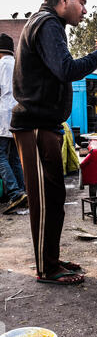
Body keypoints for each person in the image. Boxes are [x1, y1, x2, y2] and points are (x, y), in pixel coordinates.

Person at [11, 0, 97, 285]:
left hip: (45, 125)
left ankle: (51, 259)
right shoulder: (48, 24)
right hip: (35, 127)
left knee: (54, 198)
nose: (85, 9)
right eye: (82, 2)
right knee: (44, 201)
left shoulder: (47, 24)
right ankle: (46, 268)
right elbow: (66, 69)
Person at [0, 33, 27, 214]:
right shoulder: (20, 65)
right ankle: (24, 191)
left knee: (0, 155)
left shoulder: (0, 65)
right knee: (14, 157)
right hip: (18, 114)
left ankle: (15, 193)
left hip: (2, 115)